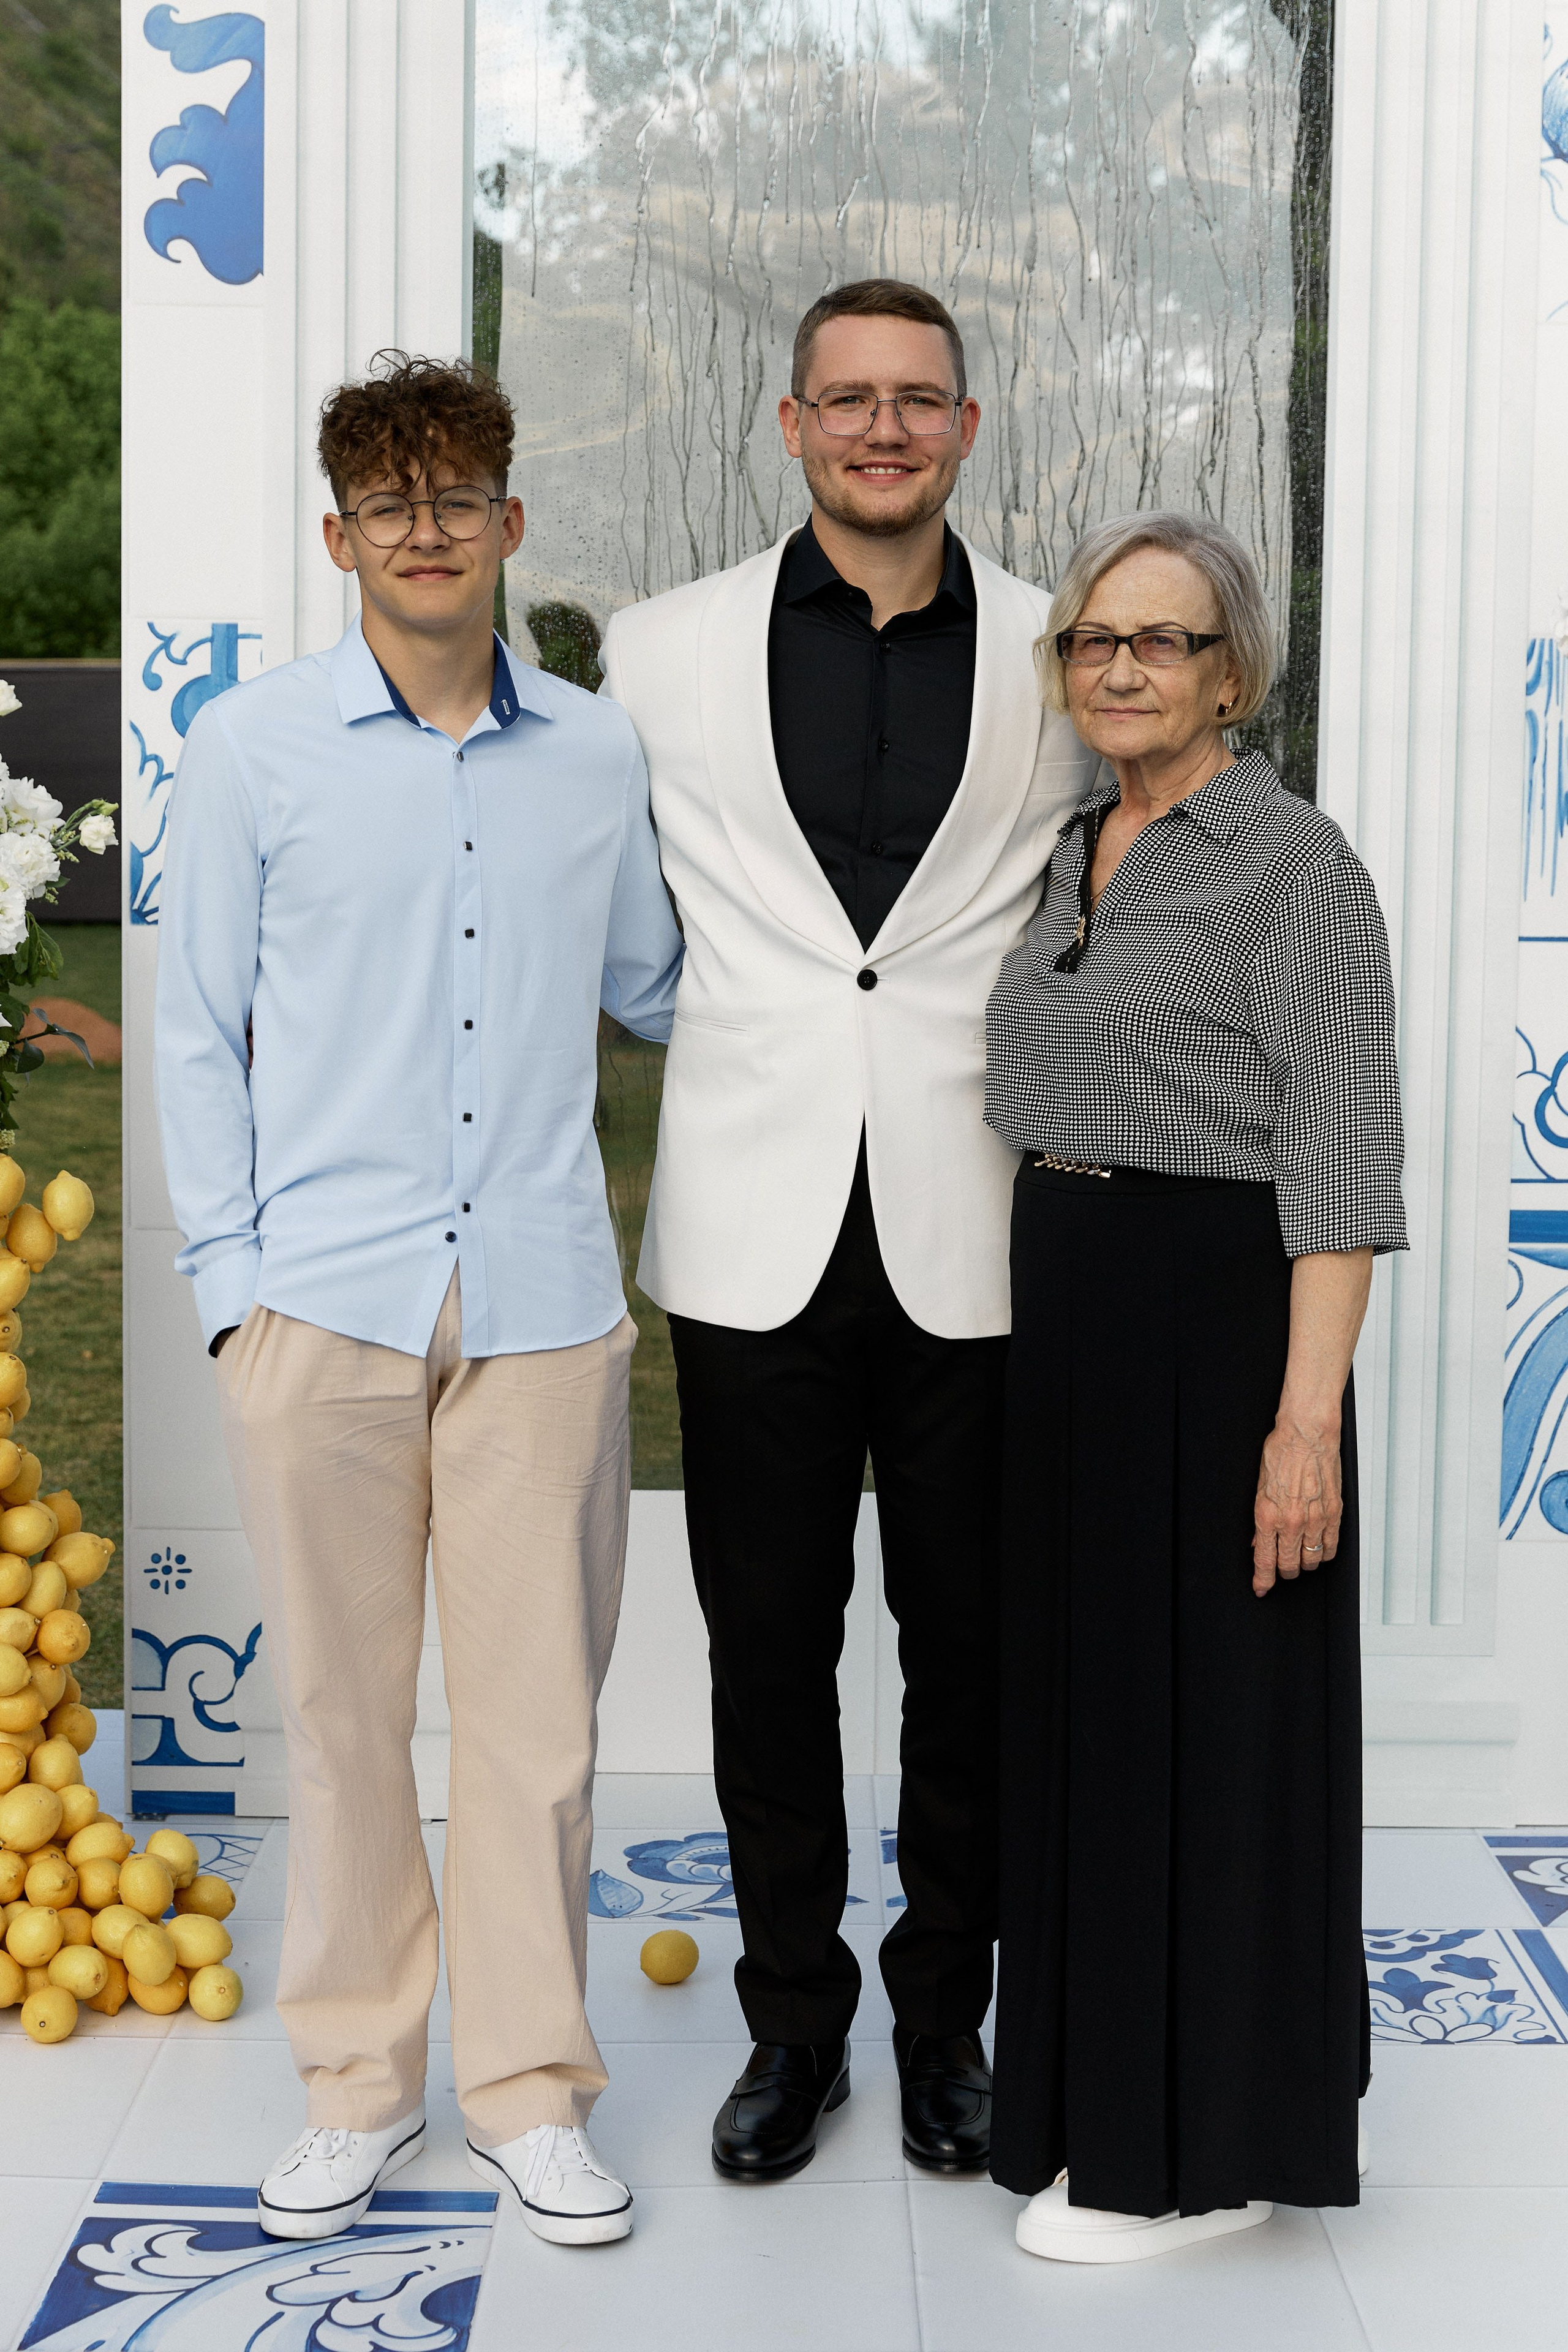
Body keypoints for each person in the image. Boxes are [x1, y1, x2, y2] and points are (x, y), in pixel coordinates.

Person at [155, 352, 682, 2247]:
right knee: (342, 1717)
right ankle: (361, 2085)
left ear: (512, 523)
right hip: (323, 1307)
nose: (430, 527)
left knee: (539, 1729)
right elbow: (194, 1034)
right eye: (393, 501)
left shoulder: (602, 754)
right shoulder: (251, 751)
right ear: (340, 536)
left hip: (541, 1304)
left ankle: (532, 2091)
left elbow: (654, 983)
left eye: (461, 494)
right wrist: (234, 1292)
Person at [600, 281, 1096, 2182]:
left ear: (969, 427)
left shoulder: (1068, 647)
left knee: (971, 1658)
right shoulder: (657, 653)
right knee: (767, 1652)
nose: (883, 430)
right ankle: (793, 2031)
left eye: (920, 402)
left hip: (979, 1225)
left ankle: (945, 2026)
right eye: (848, 401)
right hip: (749, 1234)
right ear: (789, 421)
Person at [984, 510, 1405, 2261]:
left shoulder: (1293, 864)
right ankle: (1091, 2102)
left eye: (1162, 642)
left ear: (1232, 669)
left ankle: (1208, 2151)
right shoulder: (1076, 841)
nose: (1122, 668)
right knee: (1089, 1717)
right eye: (1096, 641)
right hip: (1068, 1310)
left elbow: (1345, 1164)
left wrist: (1302, 1426)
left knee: (1218, 1732)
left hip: (1225, 1324)